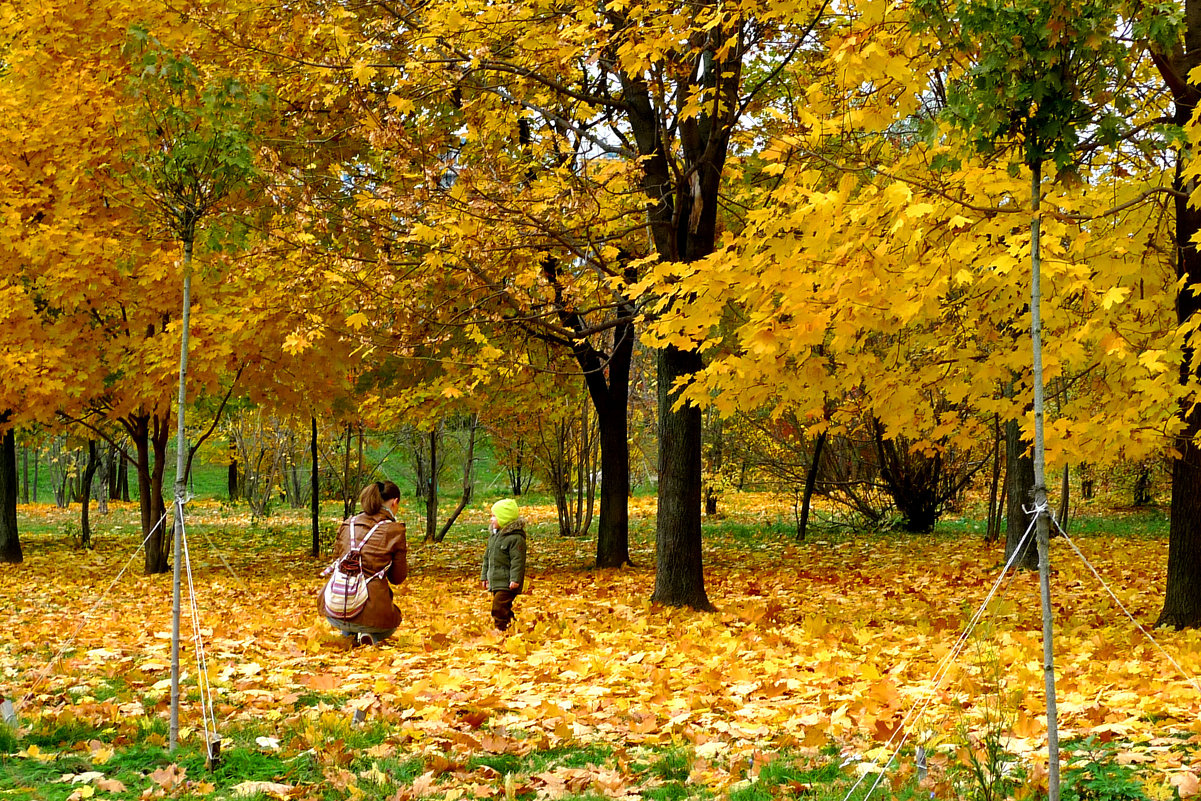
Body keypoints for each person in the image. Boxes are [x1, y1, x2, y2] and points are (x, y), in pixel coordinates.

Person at [319, 480, 408, 646]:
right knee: (393, 618)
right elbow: (397, 577)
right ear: (395, 502)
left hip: (333, 609)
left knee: (351, 615)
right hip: (375, 616)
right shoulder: (394, 531)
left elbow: (338, 560)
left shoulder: (348, 524)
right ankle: (369, 635)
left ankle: (349, 635)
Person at [480, 498, 527, 632]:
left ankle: (500, 629)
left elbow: (518, 561)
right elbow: (487, 558)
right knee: (503, 606)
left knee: (498, 606)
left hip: (507, 582)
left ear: (504, 518)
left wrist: (515, 579)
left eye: (494, 516)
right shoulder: (494, 537)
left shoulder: (515, 539)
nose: (491, 519)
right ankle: (511, 625)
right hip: (496, 580)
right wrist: (485, 576)